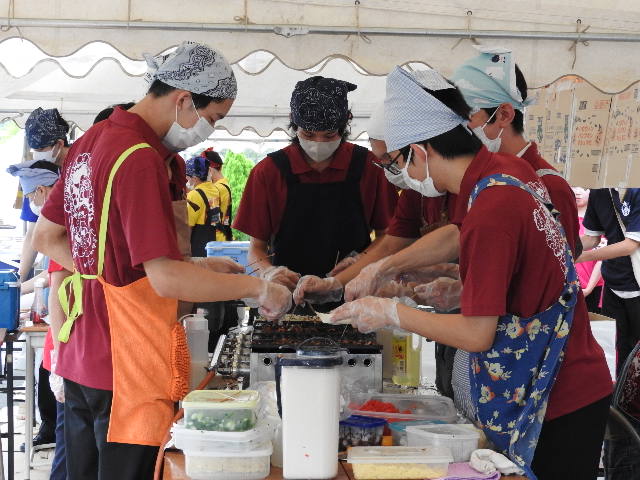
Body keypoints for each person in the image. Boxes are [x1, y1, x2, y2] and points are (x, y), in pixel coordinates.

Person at [329, 66, 612, 479]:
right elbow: (463, 237)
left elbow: (477, 333)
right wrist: (391, 269)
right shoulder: (504, 173)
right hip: (562, 375)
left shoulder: (492, 207)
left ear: (419, 151)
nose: (395, 176)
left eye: (392, 163)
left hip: (556, 393)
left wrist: (390, 311)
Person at [32, 41, 291, 480]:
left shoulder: (94, 139)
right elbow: (165, 280)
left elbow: (48, 238)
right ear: (184, 100)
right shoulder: (139, 156)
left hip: (80, 352)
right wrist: (258, 287)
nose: (209, 128)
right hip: (126, 363)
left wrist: (118, 272)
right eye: (213, 117)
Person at [344, 47, 582, 300]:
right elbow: (462, 238)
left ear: (504, 114)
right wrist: (457, 280)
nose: (461, 127)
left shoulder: (514, 186)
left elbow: (541, 279)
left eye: (467, 116)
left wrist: (391, 311)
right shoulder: (488, 179)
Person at [233, 76, 397, 311]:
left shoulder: (370, 168)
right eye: (309, 134)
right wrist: (269, 272)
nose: (318, 143)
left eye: (329, 135)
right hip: (286, 300)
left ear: (345, 125)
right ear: (293, 124)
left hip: (354, 295)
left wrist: (360, 264)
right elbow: (255, 249)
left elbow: (388, 237)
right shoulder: (268, 172)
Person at [8, 159, 68, 478]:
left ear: (43, 191)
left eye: (32, 197)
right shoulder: (59, 216)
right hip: (62, 334)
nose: (32, 204)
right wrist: (21, 285)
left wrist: (58, 356)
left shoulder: (59, 222)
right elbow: (48, 274)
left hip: (67, 338)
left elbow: (55, 281)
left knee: (68, 442)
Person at [580, 188, 640, 373]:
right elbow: (591, 237)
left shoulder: (636, 190)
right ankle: (618, 397)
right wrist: (558, 246)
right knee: (616, 347)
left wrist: (580, 257)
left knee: (636, 348)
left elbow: (631, 244)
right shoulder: (600, 191)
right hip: (613, 284)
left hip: (637, 284)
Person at [18, 108, 70, 285]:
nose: (38, 154)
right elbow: (32, 234)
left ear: (59, 144)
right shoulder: (36, 176)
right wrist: (19, 279)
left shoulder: (77, 171)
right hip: (55, 267)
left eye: (41, 148)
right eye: (35, 149)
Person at [186, 148, 233, 256]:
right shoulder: (215, 189)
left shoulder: (196, 194)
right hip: (216, 239)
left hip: (204, 243)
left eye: (187, 177)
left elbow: (188, 226)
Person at [573, 187, 604, 313]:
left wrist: (589, 288)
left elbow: (602, 258)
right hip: (567, 287)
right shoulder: (562, 219)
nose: (578, 191)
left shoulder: (600, 221)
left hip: (593, 287)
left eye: (584, 188)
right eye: (574, 186)